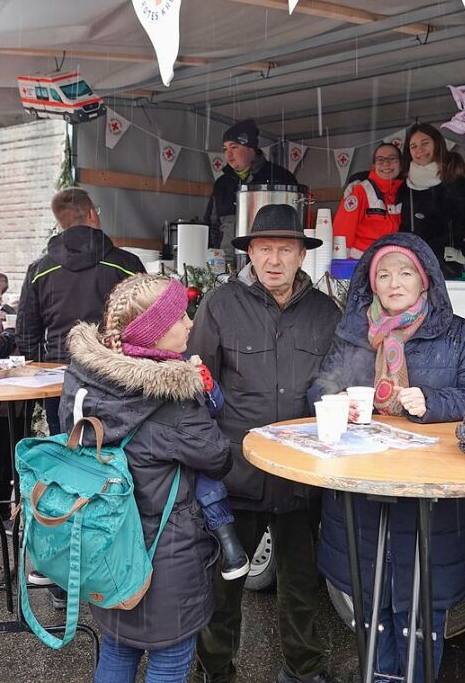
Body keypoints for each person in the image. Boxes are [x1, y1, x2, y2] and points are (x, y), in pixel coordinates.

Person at [310, 232, 465, 683]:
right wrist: (339, 401)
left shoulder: (455, 335)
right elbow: (317, 388)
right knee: (371, 608)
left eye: (406, 273)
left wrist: (432, 401)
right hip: (363, 491)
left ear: (425, 280)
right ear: (371, 285)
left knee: (419, 612)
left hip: (427, 496)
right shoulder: (352, 334)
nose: (395, 284)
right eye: (384, 275)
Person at [189, 204, 342, 683]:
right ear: (250, 253)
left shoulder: (325, 312)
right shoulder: (220, 305)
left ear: (301, 255)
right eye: (264, 249)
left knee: (301, 583)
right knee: (224, 583)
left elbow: (335, 383)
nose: (274, 260)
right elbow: (195, 387)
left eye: (285, 249)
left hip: (301, 474)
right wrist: (209, 459)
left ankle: (303, 668)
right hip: (237, 473)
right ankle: (215, 672)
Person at [60, 274, 234, 683]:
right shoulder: (171, 399)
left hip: (108, 541)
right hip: (165, 550)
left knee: (119, 647)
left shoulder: (86, 380)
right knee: (171, 658)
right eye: (179, 317)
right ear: (152, 335)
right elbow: (217, 456)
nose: (191, 323)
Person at [17, 187, 144, 435]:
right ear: (92, 214)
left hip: (61, 377)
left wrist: (45, 373)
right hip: (116, 372)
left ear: (59, 222)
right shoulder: (127, 264)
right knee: (115, 450)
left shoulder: (39, 269)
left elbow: (26, 333)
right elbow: (145, 323)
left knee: (66, 446)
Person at [204, 118, 300, 258]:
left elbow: (294, 228)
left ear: (251, 148)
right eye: (225, 149)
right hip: (226, 262)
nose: (228, 154)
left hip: (270, 262)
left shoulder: (280, 178)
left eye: (234, 147)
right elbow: (211, 225)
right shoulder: (222, 183)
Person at [399, 123, 465, 278]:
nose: (419, 150)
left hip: (454, 270)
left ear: (437, 144)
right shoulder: (403, 188)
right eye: (413, 146)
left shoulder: (458, 183)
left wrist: (464, 254)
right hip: (414, 270)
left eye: (425, 143)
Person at [332, 143, 403, 258]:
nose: (386, 163)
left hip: (391, 263)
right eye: (380, 160)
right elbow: (342, 232)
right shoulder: (360, 191)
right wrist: (341, 266)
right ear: (373, 166)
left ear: (401, 165)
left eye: (392, 158)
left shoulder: (406, 192)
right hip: (360, 264)